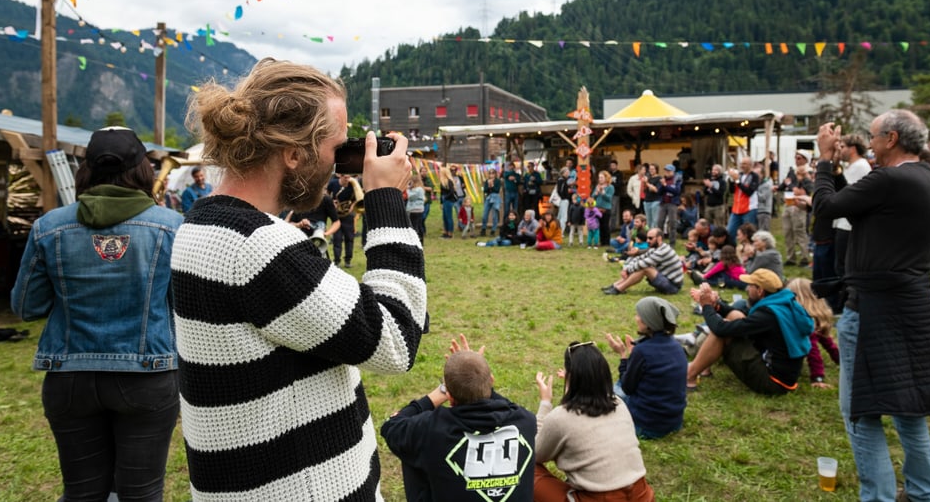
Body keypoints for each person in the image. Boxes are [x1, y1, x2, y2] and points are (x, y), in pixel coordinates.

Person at [172, 58, 427, 501]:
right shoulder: (258, 247)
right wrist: (385, 197)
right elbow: (397, 339)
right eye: (336, 149)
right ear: (293, 154)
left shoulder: (201, 225)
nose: (338, 166)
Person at [11, 127, 183, 501]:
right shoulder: (172, 227)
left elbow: (26, 307)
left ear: (85, 170)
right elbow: (184, 307)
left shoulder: (48, 228)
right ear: (142, 172)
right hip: (147, 376)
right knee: (141, 493)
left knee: (83, 492)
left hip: (69, 377)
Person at [813, 112, 930, 502]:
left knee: (861, 412)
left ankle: (879, 497)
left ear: (892, 138)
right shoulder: (928, 178)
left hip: (871, 309)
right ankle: (923, 493)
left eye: (872, 136)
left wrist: (825, 160)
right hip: (914, 305)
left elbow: (826, 207)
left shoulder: (887, 180)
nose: (869, 143)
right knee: (910, 408)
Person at [381, 335, 536, 502]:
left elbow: (391, 426)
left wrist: (439, 393)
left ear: (450, 397)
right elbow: (503, 402)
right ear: (491, 381)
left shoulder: (431, 429)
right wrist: (478, 376)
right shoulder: (526, 421)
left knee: (411, 446)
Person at [534, 342, 655, 501]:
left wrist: (545, 403)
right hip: (642, 495)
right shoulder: (619, 403)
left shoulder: (561, 417)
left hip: (599, 498)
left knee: (526, 466)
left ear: (570, 377)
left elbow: (535, 454)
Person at [686, 269, 814, 394]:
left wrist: (706, 306)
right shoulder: (782, 304)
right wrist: (716, 305)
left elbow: (720, 328)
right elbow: (746, 319)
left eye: (750, 286)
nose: (747, 289)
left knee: (721, 333)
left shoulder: (768, 315)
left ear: (760, 290)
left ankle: (689, 375)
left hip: (773, 382)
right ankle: (704, 369)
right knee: (735, 315)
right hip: (785, 377)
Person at [607, 297, 688, 439]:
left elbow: (627, 388)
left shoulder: (643, 351)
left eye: (639, 315)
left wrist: (624, 356)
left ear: (649, 321)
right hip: (674, 422)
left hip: (646, 425)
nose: (636, 318)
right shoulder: (677, 346)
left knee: (608, 392)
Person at [786, 278, 839, 389]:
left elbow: (813, 350)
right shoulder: (812, 319)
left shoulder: (802, 319)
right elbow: (829, 345)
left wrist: (817, 378)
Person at [832, 133, 871, 279]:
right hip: (844, 222)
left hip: (848, 225)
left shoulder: (860, 166)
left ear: (853, 149)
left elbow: (845, 193)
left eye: (842, 147)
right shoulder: (854, 166)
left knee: (843, 267)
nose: (840, 150)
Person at [601, 228, 684, 296]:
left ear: (659, 238)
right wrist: (626, 268)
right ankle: (615, 285)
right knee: (639, 265)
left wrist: (626, 270)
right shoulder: (656, 248)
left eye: (650, 238)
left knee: (644, 268)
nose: (647, 240)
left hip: (673, 287)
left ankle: (619, 289)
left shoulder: (662, 251)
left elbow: (643, 263)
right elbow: (640, 258)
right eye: (647, 238)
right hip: (666, 280)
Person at [284, 193, 341, 258]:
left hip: (318, 244)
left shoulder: (325, 199)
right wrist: (299, 224)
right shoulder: (299, 199)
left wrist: (325, 234)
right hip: (299, 245)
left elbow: (337, 222)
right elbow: (289, 224)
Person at [780, 164, 814, 266]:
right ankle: (791, 257)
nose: (797, 159)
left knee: (799, 231)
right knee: (787, 231)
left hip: (799, 205)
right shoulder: (795, 176)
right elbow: (786, 186)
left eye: (799, 158)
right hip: (789, 203)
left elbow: (801, 192)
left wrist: (790, 184)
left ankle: (804, 257)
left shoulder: (807, 179)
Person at [726, 156, 759, 239]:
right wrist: (731, 179)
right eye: (741, 164)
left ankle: (749, 250)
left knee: (748, 233)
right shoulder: (739, 175)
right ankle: (731, 250)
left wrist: (737, 181)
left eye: (744, 164)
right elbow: (732, 191)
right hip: (736, 208)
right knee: (730, 232)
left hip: (749, 209)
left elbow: (749, 192)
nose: (742, 166)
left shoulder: (754, 176)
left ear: (750, 165)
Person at [331, 173, 360, 267]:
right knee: (337, 239)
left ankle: (348, 261)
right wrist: (332, 203)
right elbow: (326, 194)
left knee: (349, 239)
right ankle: (337, 261)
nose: (348, 179)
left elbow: (357, 199)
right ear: (341, 176)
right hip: (337, 216)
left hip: (348, 216)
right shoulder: (333, 183)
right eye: (346, 177)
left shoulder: (353, 184)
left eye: (349, 177)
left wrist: (352, 206)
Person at [655, 163, 683, 245]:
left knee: (672, 224)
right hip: (663, 203)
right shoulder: (663, 179)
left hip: (672, 203)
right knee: (660, 222)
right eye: (666, 171)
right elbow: (659, 192)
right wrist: (662, 186)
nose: (667, 172)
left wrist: (665, 186)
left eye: (669, 171)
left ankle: (672, 243)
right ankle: (659, 242)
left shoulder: (677, 180)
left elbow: (677, 191)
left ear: (673, 172)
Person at [439, 165, 465, 239]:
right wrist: (441, 202)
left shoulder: (449, 181)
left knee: (448, 217)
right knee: (444, 217)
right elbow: (441, 192)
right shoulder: (442, 181)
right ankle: (445, 232)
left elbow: (451, 191)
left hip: (448, 200)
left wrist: (445, 198)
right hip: (444, 201)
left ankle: (450, 233)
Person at [702, 164, 727, 228]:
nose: (713, 171)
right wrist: (706, 186)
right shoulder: (710, 180)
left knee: (719, 225)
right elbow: (705, 193)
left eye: (716, 170)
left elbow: (720, 193)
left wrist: (711, 186)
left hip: (718, 206)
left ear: (719, 172)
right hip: (709, 206)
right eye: (713, 170)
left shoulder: (722, 182)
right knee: (707, 225)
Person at [480, 168, 502, 236]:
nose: (491, 175)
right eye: (490, 173)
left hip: (495, 198)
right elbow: (485, 190)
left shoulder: (498, 181)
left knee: (494, 215)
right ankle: (483, 229)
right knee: (484, 214)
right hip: (488, 198)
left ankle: (493, 230)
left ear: (495, 174)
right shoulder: (487, 181)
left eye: (493, 173)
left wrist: (492, 186)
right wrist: (488, 186)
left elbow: (497, 190)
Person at [754, 162, 774, 232]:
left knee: (763, 233)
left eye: (757, 174)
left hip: (764, 212)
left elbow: (762, 197)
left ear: (762, 174)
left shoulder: (767, 184)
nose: (755, 176)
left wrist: (753, 190)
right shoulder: (756, 183)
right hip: (756, 210)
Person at [407, 172, 426, 242]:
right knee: (418, 225)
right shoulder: (419, 189)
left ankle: (416, 240)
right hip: (417, 209)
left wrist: (407, 189)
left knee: (415, 226)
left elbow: (410, 197)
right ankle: (420, 240)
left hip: (415, 210)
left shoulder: (418, 189)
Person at [555, 166, 573, 236]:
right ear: (563, 173)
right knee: (564, 217)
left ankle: (557, 230)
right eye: (567, 172)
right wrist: (565, 195)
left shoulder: (563, 180)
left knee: (560, 216)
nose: (568, 173)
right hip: (564, 200)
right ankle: (561, 232)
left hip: (563, 199)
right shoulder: (562, 180)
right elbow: (560, 191)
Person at [608, 159, 624, 228]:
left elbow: (620, 184)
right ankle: (608, 225)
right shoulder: (608, 173)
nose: (612, 167)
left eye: (613, 165)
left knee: (613, 211)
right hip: (608, 194)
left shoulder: (619, 174)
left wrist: (612, 183)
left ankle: (613, 226)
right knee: (608, 210)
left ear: (616, 166)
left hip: (616, 193)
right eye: (611, 165)